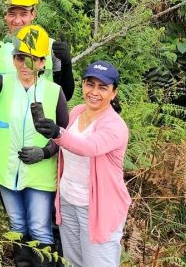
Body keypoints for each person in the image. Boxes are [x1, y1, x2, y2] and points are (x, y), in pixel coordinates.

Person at [0, 24, 69, 267]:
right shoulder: (2, 83)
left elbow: (65, 136)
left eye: (32, 59)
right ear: (13, 59)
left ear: (41, 62)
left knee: (39, 227)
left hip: (39, 174)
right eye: (19, 58)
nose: (25, 65)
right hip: (7, 172)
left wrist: (44, 152)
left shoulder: (54, 92)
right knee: (17, 225)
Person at [35, 61, 131, 267]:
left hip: (98, 208)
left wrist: (57, 132)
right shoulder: (77, 111)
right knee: (73, 262)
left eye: (102, 87)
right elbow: (65, 146)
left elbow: (89, 147)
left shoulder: (115, 126)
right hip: (69, 200)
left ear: (113, 93)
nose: (94, 92)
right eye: (90, 84)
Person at [0, 0, 75, 101]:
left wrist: (66, 64)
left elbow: (66, 95)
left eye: (23, 14)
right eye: (12, 14)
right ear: (5, 15)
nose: (17, 21)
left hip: (42, 119)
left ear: (33, 14)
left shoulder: (51, 48)